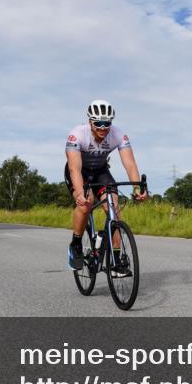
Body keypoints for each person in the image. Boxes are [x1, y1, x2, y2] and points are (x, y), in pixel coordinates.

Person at [65, 99, 148, 275]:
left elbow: (130, 164)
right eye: (98, 123)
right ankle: (76, 244)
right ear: (90, 122)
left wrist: (136, 189)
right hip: (80, 172)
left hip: (101, 171)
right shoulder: (77, 135)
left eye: (107, 123)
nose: (103, 127)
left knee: (113, 209)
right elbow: (74, 168)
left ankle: (116, 263)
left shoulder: (118, 135)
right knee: (85, 204)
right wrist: (80, 193)